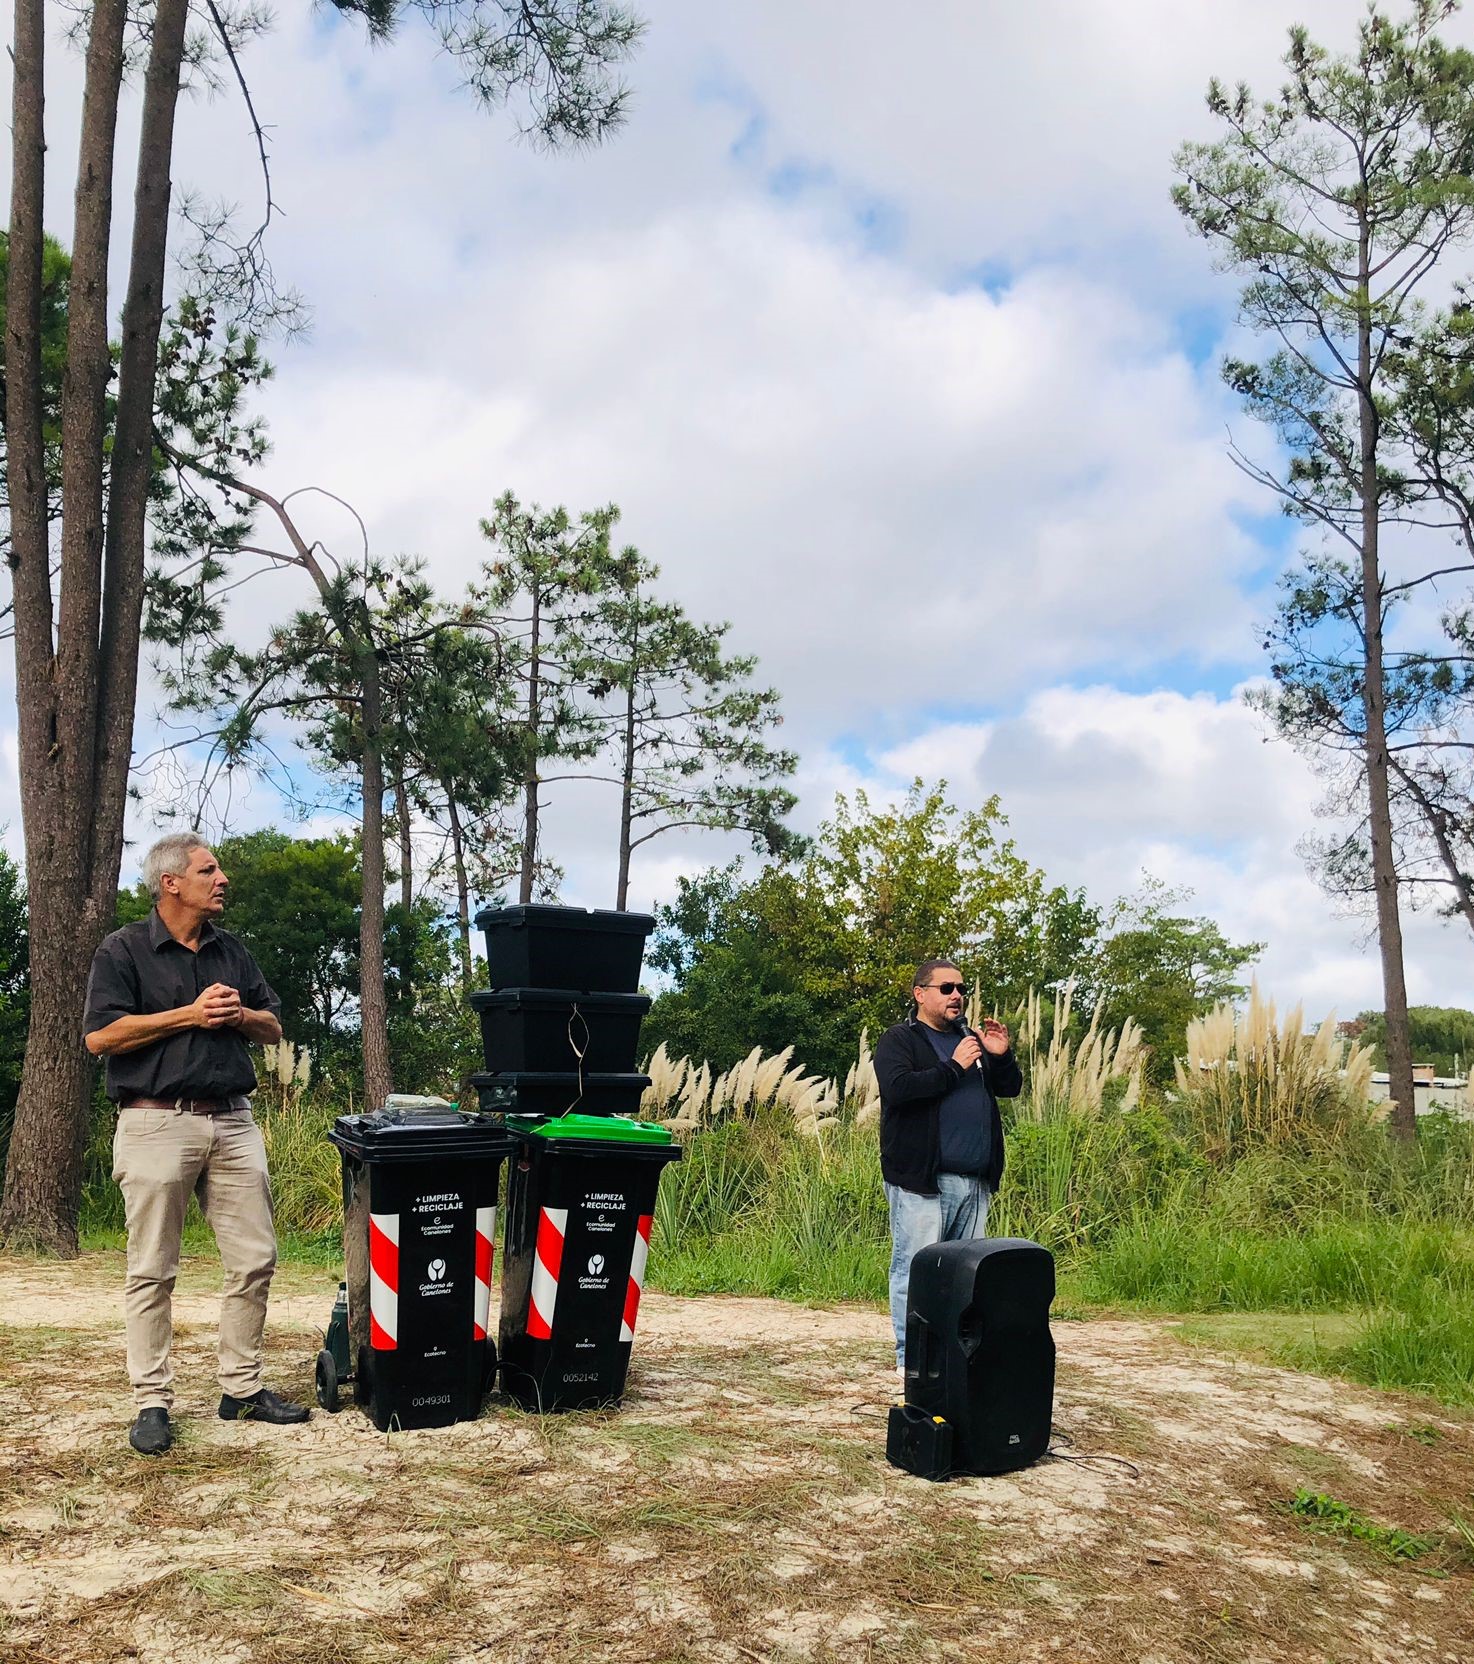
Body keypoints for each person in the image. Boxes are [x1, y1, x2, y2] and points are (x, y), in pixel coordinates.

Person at [84, 831, 311, 1455]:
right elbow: (100, 1037)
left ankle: (241, 1388)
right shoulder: (123, 949)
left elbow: (272, 1025)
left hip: (234, 1122)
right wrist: (188, 1014)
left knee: (255, 1257)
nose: (223, 879)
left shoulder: (231, 951)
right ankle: (151, 1400)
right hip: (156, 1121)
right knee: (153, 1267)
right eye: (210, 870)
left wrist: (239, 1015)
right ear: (171, 883)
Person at [874, 957, 1022, 1377]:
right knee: (916, 1271)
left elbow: (1009, 1088)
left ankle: (955, 1363)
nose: (957, 995)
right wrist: (954, 1066)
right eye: (946, 988)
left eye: (961, 989)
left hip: (974, 1181)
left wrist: (1001, 1055)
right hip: (923, 1181)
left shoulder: (970, 1039)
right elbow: (900, 1090)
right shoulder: (901, 1039)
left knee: (965, 1278)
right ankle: (914, 1365)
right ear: (920, 994)